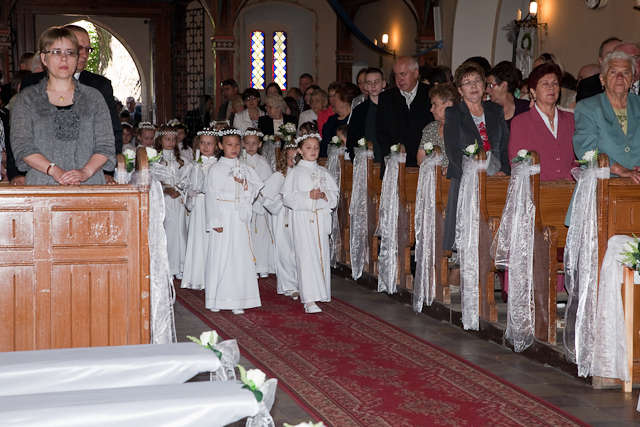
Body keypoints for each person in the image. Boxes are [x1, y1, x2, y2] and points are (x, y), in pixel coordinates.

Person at [15, 24, 122, 185]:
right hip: (42, 187)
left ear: (76, 58)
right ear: (44, 58)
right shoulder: (28, 98)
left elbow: (106, 145)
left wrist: (85, 172)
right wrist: (54, 170)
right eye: (56, 52)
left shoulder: (94, 98)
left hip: (89, 185)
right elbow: (22, 145)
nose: (64, 58)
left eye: (70, 52)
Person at [442, 61, 510, 251]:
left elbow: (505, 144)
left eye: (477, 80)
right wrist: (472, 173)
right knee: (467, 234)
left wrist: (505, 170)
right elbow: (453, 150)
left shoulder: (495, 110)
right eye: (467, 82)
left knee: (492, 230)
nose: (473, 86)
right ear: (460, 90)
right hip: (465, 178)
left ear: (484, 85)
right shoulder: (453, 113)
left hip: (495, 176)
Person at [204, 128, 263, 315]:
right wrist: (215, 220)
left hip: (239, 217)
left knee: (239, 256)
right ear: (221, 146)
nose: (234, 148)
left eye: (237, 144)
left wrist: (244, 183)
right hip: (222, 214)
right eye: (229, 144)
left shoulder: (245, 167)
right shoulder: (215, 169)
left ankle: (237, 299)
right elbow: (210, 195)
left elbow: (254, 190)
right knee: (220, 255)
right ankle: (216, 297)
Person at [281, 133, 339, 313]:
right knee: (306, 256)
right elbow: (287, 198)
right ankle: (309, 299)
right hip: (303, 219)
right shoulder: (295, 172)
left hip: (320, 218)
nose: (313, 151)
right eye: (308, 147)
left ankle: (320, 293)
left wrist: (325, 196)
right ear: (299, 150)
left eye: (316, 148)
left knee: (320, 255)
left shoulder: (324, 172)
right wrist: (308, 196)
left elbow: (334, 196)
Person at [574, 51, 640, 183]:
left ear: (632, 79)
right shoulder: (588, 107)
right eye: (613, 72)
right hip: (600, 184)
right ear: (602, 78)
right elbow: (586, 150)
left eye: (626, 72)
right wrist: (619, 169)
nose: (620, 77)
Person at [509, 63, 576, 181]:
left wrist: (567, 179)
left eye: (555, 83)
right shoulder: (520, 123)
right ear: (533, 92)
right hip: (536, 187)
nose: (551, 87)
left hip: (569, 187)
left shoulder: (571, 119)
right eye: (545, 83)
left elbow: (581, 158)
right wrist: (548, 185)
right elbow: (518, 163)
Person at [377, 56, 434, 167]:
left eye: (403, 74)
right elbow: (381, 131)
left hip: (426, 162)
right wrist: (393, 156)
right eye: (396, 75)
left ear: (415, 73)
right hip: (395, 163)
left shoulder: (430, 94)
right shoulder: (386, 98)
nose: (399, 80)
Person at [262, 140, 299, 299]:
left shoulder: (303, 175)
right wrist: (281, 199)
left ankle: (301, 282)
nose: (293, 162)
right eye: (290, 158)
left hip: (299, 218)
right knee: (285, 251)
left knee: (299, 250)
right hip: (282, 217)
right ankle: (289, 285)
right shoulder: (279, 176)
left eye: (296, 158)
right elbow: (267, 200)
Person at [183, 128, 218, 290]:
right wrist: (189, 193)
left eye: (209, 144)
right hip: (199, 205)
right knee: (198, 237)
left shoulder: (219, 165)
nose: (205, 146)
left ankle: (213, 275)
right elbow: (185, 184)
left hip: (213, 205)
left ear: (216, 146)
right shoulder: (193, 165)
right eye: (202, 143)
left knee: (212, 240)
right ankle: (197, 276)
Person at [155, 125, 190, 284]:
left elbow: (188, 178)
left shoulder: (182, 160)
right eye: (167, 139)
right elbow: (153, 180)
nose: (171, 142)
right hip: (165, 201)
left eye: (173, 139)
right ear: (160, 140)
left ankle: (181, 266)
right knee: (168, 233)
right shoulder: (156, 160)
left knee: (181, 232)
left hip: (179, 201)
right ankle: (168, 267)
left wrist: (179, 190)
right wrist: (164, 189)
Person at [243, 129, 274, 278]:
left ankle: (262, 265)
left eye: (254, 143)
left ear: (260, 144)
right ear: (243, 144)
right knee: (246, 236)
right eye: (247, 143)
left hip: (259, 204)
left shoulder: (262, 162)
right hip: (244, 204)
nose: (250, 146)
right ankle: (249, 265)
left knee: (261, 235)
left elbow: (268, 184)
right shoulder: (240, 162)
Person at [416, 84, 460, 171]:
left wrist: (452, 169)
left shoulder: (463, 127)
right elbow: (420, 158)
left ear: (449, 104)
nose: (431, 109)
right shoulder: (430, 128)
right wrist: (434, 169)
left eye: (435, 105)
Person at [347, 67, 387, 162]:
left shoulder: (394, 107)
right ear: (365, 86)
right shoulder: (359, 111)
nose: (373, 86)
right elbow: (352, 138)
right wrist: (357, 159)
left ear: (383, 83)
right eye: (369, 83)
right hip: (366, 162)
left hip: (388, 161)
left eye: (376, 82)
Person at [485, 61, 530, 129]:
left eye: (490, 86)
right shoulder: (484, 109)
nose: (486, 90)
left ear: (504, 86)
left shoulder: (526, 109)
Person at [577, 36, 622, 102]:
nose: (615, 59)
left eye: (619, 54)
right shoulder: (588, 87)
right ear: (601, 61)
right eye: (610, 55)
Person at [320, 84, 358, 158]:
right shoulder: (332, 119)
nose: (333, 103)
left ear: (344, 102)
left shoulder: (353, 119)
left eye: (335, 100)